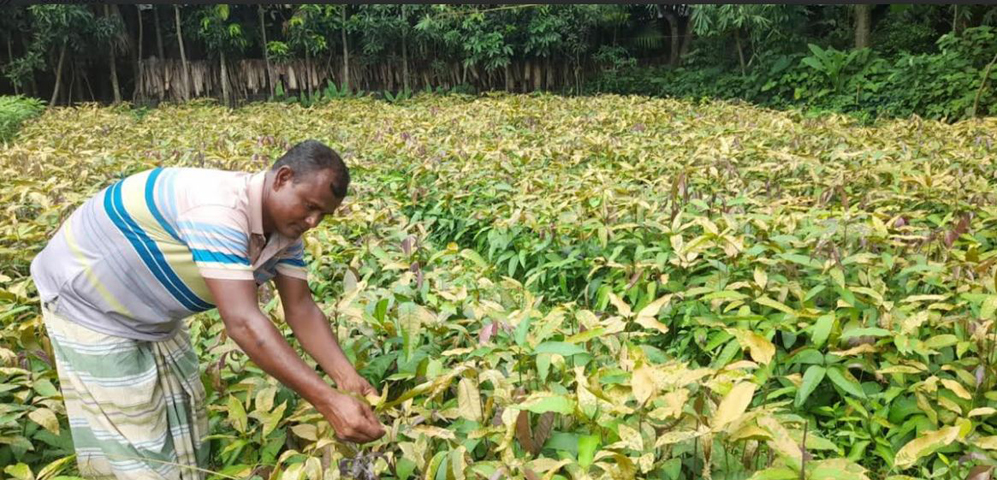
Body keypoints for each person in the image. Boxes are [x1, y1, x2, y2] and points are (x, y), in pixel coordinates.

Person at [30, 139, 385, 479]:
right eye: (309, 206)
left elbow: (301, 307)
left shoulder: (285, 232)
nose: (313, 223)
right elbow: (243, 322)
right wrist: (327, 401)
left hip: (153, 315)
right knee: (139, 440)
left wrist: (345, 377)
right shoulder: (219, 210)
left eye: (323, 215)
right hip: (89, 303)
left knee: (184, 415)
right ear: (282, 178)